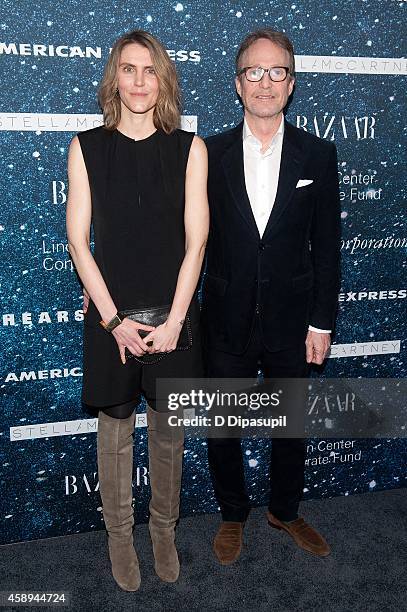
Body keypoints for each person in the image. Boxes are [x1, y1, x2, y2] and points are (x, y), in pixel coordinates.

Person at [66, 29, 208, 591]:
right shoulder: (86, 148)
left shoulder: (189, 148)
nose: (140, 81)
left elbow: (196, 243)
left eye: (151, 70)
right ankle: (120, 537)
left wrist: (174, 321)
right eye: (129, 69)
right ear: (114, 78)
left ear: (164, 78)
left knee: (169, 436)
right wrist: (114, 322)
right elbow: (79, 241)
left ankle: (164, 532)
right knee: (115, 433)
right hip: (110, 320)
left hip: (174, 317)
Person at [201, 28, 341, 565]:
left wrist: (322, 323)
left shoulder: (318, 155)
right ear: (238, 85)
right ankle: (232, 514)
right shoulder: (206, 153)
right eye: (254, 72)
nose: (265, 82)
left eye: (276, 71)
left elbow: (327, 246)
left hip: (293, 318)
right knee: (223, 426)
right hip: (225, 318)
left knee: (291, 423)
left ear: (291, 84)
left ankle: (285, 508)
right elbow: (192, 239)